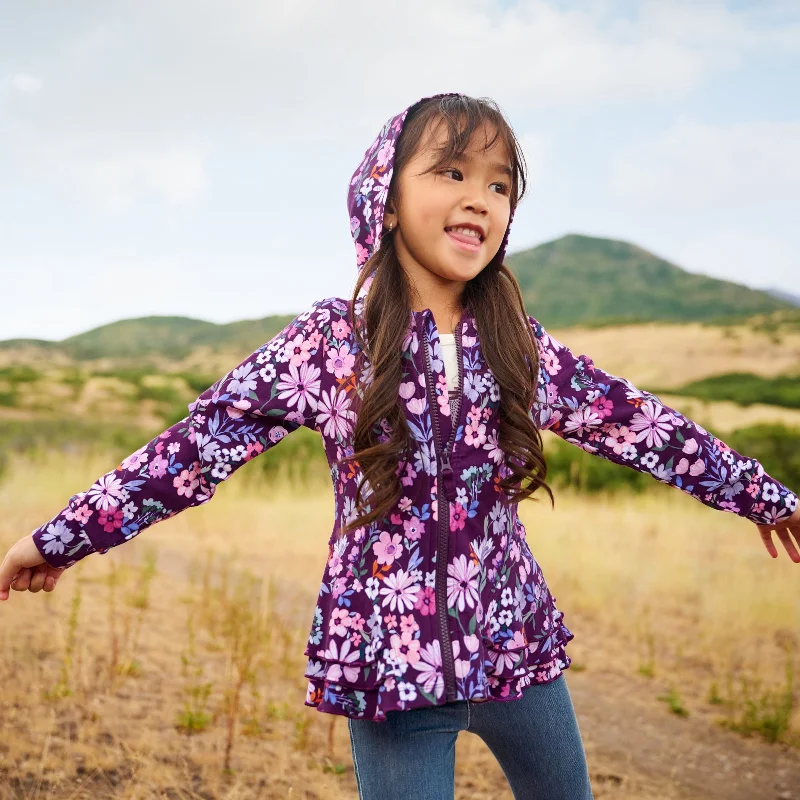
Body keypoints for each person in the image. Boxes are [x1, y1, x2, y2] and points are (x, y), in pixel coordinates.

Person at [1, 92, 798, 800]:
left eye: (499, 184)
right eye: (451, 171)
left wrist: (764, 495)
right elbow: (191, 450)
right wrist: (58, 540)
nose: (479, 198)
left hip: (517, 648)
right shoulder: (328, 345)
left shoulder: (521, 345)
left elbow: (645, 428)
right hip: (389, 665)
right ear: (384, 200)